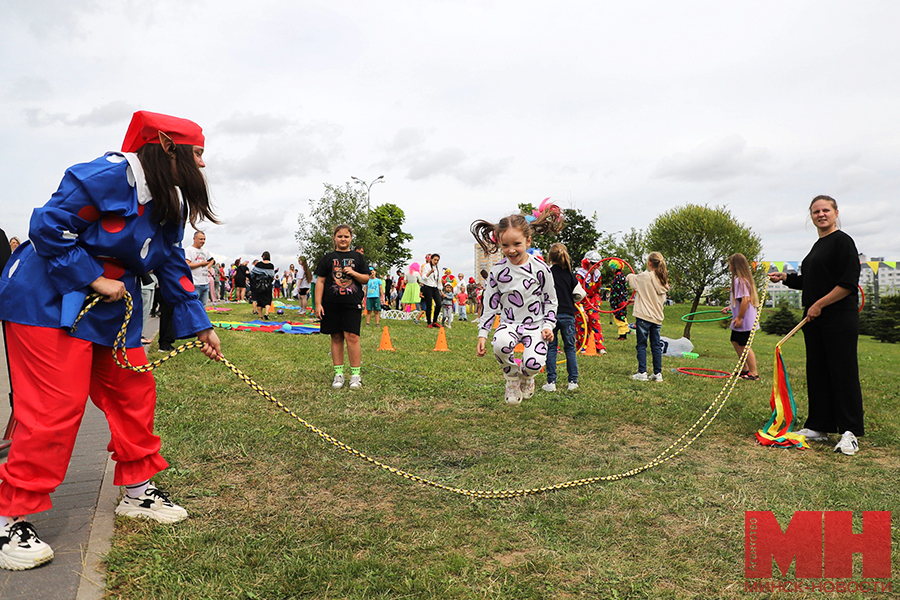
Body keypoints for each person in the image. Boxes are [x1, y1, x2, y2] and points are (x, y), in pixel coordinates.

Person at [0, 110, 223, 571]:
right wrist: (93, 278)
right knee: (54, 409)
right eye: (198, 152)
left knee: (133, 391)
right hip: (44, 300)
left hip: (109, 309)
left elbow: (171, 263)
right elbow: (48, 227)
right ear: (165, 145)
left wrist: (201, 323)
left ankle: (138, 492)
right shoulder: (102, 176)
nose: (202, 165)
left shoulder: (169, 202)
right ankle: (9, 515)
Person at [768, 195, 864, 456]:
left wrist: (820, 304)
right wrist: (786, 278)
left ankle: (850, 432)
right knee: (818, 371)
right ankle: (819, 426)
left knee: (842, 372)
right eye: (815, 212)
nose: (821, 215)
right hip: (815, 320)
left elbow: (847, 283)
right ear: (811, 217)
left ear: (835, 213)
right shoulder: (817, 246)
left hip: (838, 318)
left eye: (825, 210)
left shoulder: (843, 242)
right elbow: (810, 280)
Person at [472, 204, 563, 405]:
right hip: (509, 323)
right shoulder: (497, 272)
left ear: (528, 241)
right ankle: (512, 379)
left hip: (536, 325)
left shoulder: (541, 269)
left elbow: (550, 301)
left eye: (517, 244)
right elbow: (490, 305)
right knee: (501, 345)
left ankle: (527, 376)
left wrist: (548, 326)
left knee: (533, 364)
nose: (511, 250)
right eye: (505, 245)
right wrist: (482, 334)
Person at [314, 225, 369, 389]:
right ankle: (339, 374)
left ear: (351, 238)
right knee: (336, 337)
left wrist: (353, 273)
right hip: (331, 304)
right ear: (334, 238)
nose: (343, 239)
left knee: (352, 337)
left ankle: (355, 375)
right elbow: (321, 281)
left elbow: (365, 278)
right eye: (340, 236)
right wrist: (318, 304)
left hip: (352, 303)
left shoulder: (358, 258)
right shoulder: (327, 258)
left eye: (346, 236)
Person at [626, 252, 669, 382]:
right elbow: (653, 298)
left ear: (649, 263)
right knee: (656, 346)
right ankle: (657, 373)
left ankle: (642, 372)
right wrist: (638, 299)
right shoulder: (662, 279)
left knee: (641, 345)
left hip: (644, 317)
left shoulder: (645, 276)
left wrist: (628, 275)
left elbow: (631, 280)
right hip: (656, 318)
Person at [543, 243, 579, 392]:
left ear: (550, 258)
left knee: (551, 348)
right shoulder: (570, 275)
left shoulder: (548, 274)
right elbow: (578, 294)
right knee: (570, 348)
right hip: (568, 314)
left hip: (551, 315)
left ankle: (551, 383)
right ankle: (573, 382)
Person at [722, 253, 759, 380]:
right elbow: (739, 300)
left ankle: (754, 373)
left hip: (744, 320)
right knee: (735, 341)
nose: (729, 267)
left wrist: (739, 317)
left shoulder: (740, 281)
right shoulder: (741, 280)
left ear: (735, 266)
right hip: (742, 318)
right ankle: (745, 369)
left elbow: (745, 300)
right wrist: (730, 307)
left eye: (730, 265)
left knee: (744, 345)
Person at [575, 251, 607, 355]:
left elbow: (597, 292)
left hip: (592, 303)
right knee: (582, 324)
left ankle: (599, 346)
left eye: (598, 264)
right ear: (587, 262)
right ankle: (582, 346)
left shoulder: (598, 275)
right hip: (580, 303)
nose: (595, 266)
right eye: (593, 263)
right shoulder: (579, 276)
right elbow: (576, 295)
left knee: (596, 322)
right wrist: (582, 311)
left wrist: (597, 303)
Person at [184, 231, 214, 305]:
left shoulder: (205, 251)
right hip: (195, 283)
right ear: (194, 239)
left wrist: (207, 266)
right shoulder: (189, 250)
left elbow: (212, 260)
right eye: (201, 239)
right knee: (194, 305)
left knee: (203, 305)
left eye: (204, 239)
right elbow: (187, 264)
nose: (203, 241)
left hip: (205, 282)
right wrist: (201, 264)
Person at [250, 252, 275, 320]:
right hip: (268, 284)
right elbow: (272, 275)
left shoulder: (258, 265)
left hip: (259, 284)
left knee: (259, 301)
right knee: (268, 300)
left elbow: (252, 274)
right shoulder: (271, 266)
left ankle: (260, 316)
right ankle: (266, 313)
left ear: (263, 256)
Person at [609, 260, 630, 340]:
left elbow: (618, 290)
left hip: (618, 301)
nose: (612, 269)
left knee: (619, 316)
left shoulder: (618, 277)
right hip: (620, 300)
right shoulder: (621, 276)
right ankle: (623, 334)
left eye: (612, 267)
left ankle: (622, 335)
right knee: (622, 316)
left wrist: (618, 300)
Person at [420, 253, 442, 327]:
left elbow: (438, 279)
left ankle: (434, 321)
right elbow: (423, 278)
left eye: (437, 260)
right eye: (435, 260)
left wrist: (440, 289)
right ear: (431, 259)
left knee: (439, 304)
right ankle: (429, 322)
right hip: (427, 287)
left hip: (435, 287)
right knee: (429, 305)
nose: (436, 261)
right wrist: (430, 272)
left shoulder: (437, 268)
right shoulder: (426, 266)